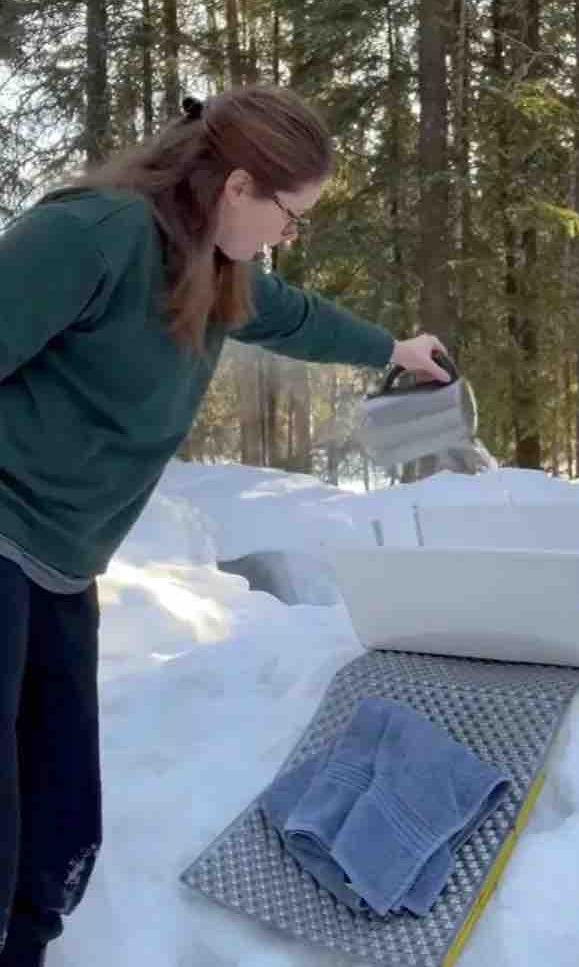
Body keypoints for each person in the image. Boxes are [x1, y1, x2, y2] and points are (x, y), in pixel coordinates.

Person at [0, 85, 450, 966]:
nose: (292, 235)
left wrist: (394, 350)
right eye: (291, 214)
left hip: (61, 557)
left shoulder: (215, 265)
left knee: (55, 802)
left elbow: (297, 318)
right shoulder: (90, 237)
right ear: (239, 184)